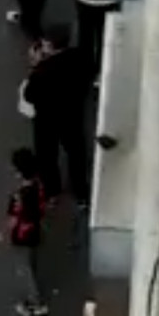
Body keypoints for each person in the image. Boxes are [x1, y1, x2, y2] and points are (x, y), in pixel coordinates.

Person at [23, 24, 93, 208]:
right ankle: (80, 192)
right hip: (72, 116)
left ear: (49, 45)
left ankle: (52, 191)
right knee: (76, 153)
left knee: (47, 155)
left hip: (47, 120)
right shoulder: (80, 57)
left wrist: (35, 66)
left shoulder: (43, 72)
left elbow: (29, 95)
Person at [5, 147, 49, 316]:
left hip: (23, 235)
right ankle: (35, 299)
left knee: (25, 269)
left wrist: (3, 233)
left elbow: (15, 216)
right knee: (32, 262)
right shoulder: (38, 184)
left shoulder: (21, 195)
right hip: (35, 231)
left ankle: (35, 302)